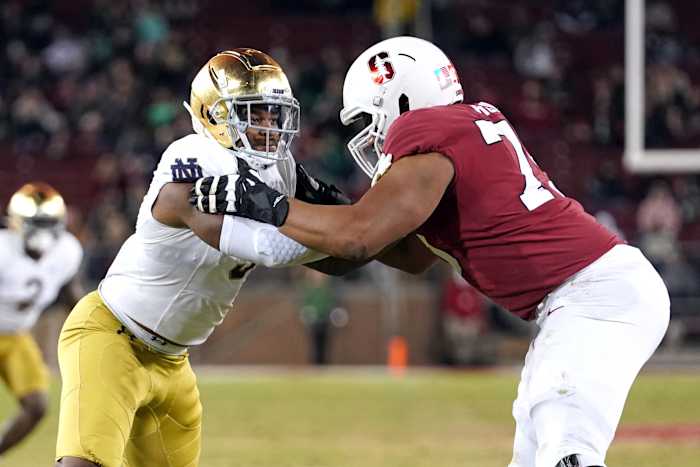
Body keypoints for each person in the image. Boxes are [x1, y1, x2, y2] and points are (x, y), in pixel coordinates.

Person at [191, 37, 671, 467]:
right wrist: (321, 210)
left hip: (594, 295)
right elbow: (405, 254)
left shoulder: (427, 133)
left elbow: (357, 237)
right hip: (588, 295)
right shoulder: (463, 131)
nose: (372, 136)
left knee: (566, 444)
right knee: (533, 452)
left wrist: (269, 205)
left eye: (369, 118)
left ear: (400, 99)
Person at [53, 49, 359, 467]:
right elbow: (268, 247)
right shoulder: (194, 158)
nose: (268, 126)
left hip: (175, 363)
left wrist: (351, 231)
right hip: (112, 336)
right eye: (255, 113)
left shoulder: (279, 170)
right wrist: (342, 231)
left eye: (273, 114)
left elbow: (343, 260)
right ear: (214, 115)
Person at [0, 182, 83, 457]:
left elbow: (71, 292)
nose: (42, 231)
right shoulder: (3, 249)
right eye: (35, 222)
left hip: (16, 335)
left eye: (48, 222)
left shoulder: (67, 252)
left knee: (37, 406)